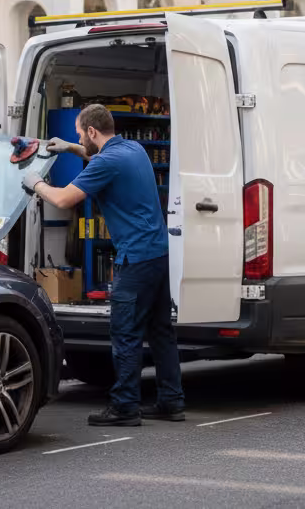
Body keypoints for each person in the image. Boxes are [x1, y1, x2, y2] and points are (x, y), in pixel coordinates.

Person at [23, 104, 185, 427]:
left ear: (92, 131)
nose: (79, 139)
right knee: (161, 332)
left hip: (135, 259)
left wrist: (35, 183)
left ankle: (125, 407)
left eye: (79, 134)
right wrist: (69, 148)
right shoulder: (133, 149)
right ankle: (171, 401)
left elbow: (64, 199)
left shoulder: (106, 162)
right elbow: (95, 155)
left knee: (125, 333)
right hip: (158, 254)